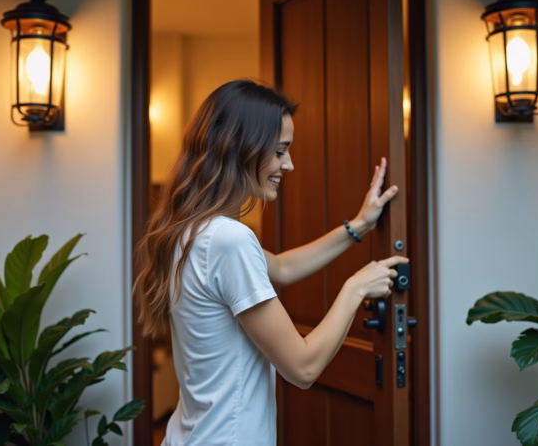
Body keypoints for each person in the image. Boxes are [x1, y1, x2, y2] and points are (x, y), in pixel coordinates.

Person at [133, 80, 408, 446]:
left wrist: (358, 225)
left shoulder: (193, 230)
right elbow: (303, 367)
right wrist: (356, 287)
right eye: (280, 151)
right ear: (240, 149)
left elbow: (281, 267)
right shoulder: (228, 239)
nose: (289, 164)